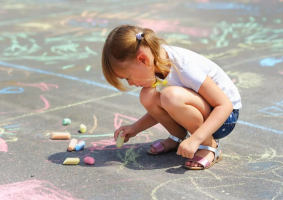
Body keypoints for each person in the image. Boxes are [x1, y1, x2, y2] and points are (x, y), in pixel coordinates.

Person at [101, 25, 241, 170]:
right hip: (201, 111)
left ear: (143, 60)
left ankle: (210, 146)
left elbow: (225, 105)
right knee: (148, 95)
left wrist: (196, 139)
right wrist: (135, 128)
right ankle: (176, 137)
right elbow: (163, 106)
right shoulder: (156, 62)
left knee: (170, 96)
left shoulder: (186, 68)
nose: (131, 83)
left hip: (224, 119)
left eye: (128, 77)